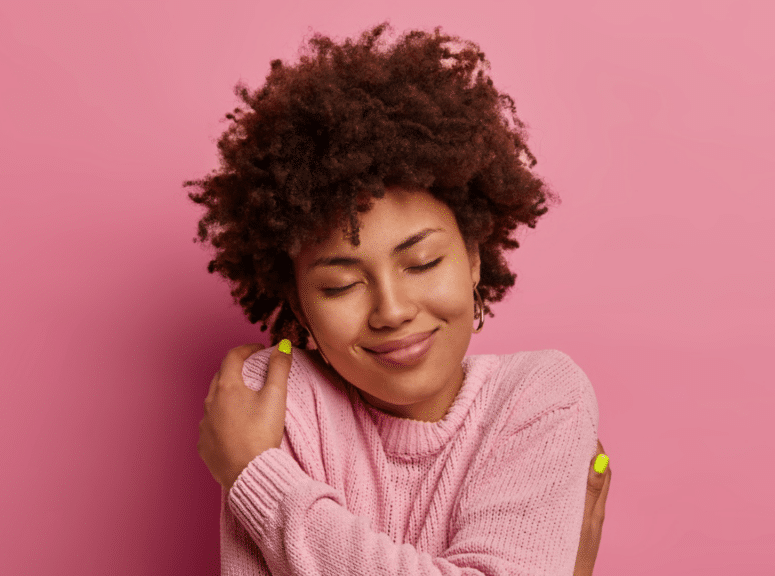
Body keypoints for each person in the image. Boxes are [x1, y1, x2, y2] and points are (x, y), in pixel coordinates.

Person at [187, 23, 612, 575]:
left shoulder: (542, 397)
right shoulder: (275, 401)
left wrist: (258, 478)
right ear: (297, 301)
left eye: (423, 262)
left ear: (474, 259)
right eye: (340, 285)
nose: (391, 310)